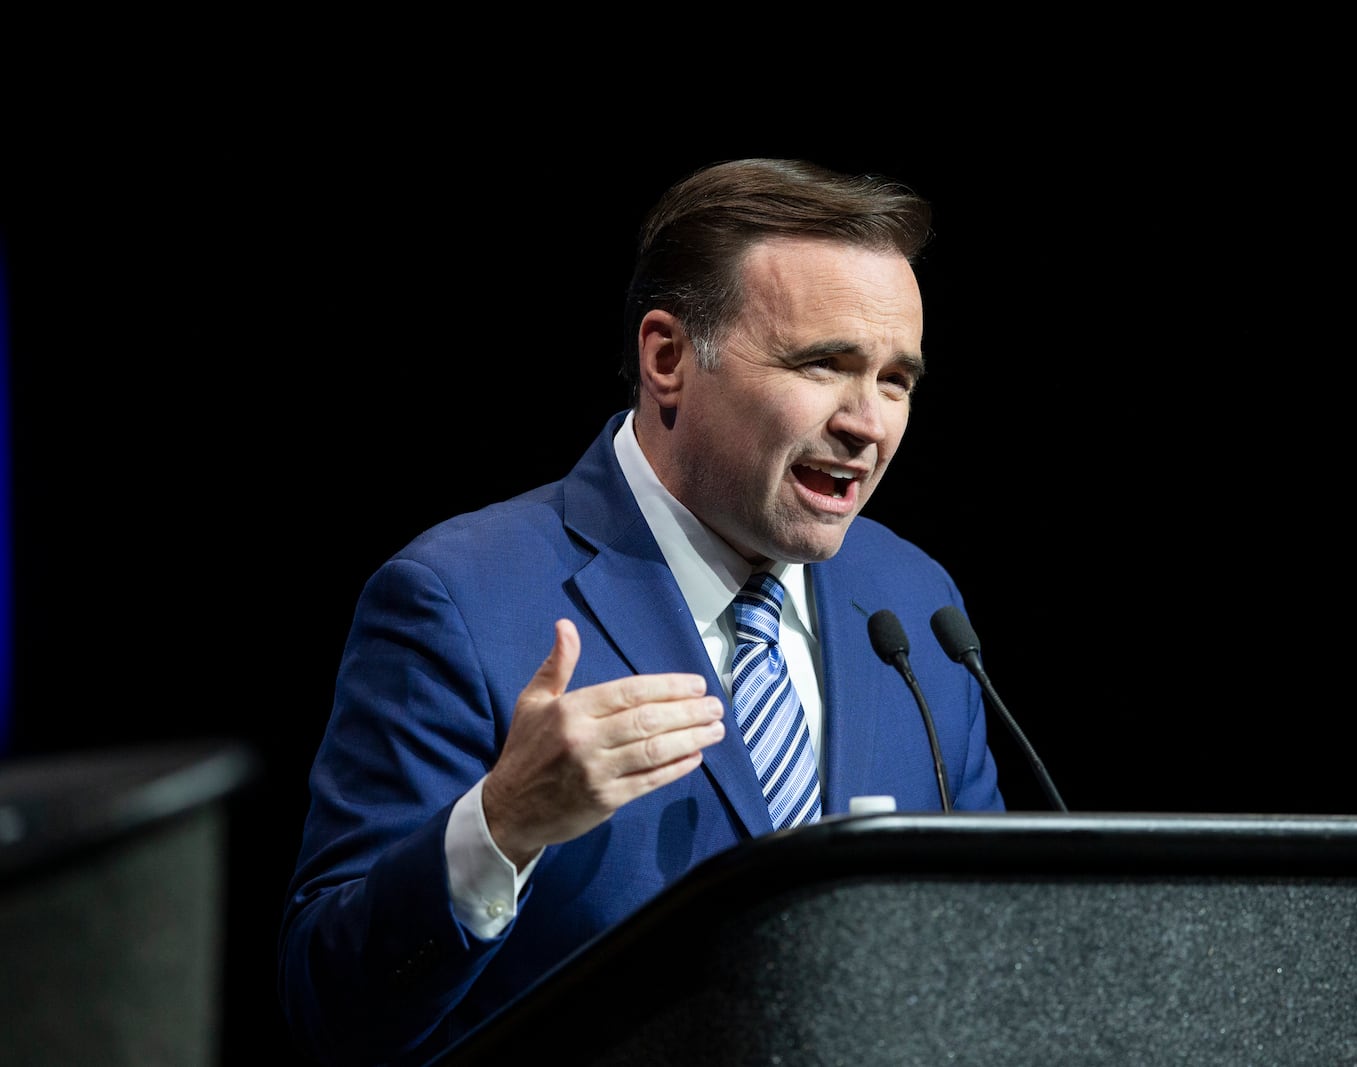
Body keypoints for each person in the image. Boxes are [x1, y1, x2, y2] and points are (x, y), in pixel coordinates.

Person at [277, 157, 1007, 1065]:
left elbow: (988, 951)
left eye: (897, 381)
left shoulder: (912, 603)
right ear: (667, 358)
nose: (869, 423)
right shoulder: (459, 598)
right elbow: (329, 1010)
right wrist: (500, 827)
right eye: (825, 364)